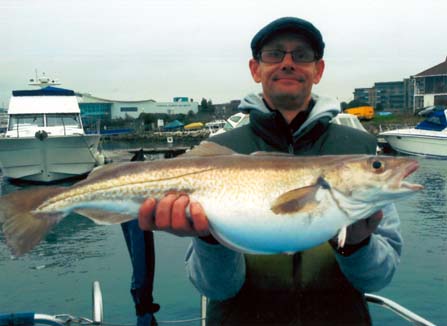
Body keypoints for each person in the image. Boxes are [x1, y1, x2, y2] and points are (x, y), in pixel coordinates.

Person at [138, 17, 402, 325]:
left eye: (301, 55)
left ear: (318, 70)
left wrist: (357, 244)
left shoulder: (361, 155)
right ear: (255, 68)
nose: (288, 63)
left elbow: (378, 279)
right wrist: (209, 239)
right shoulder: (219, 152)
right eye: (275, 54)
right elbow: (216, 288)